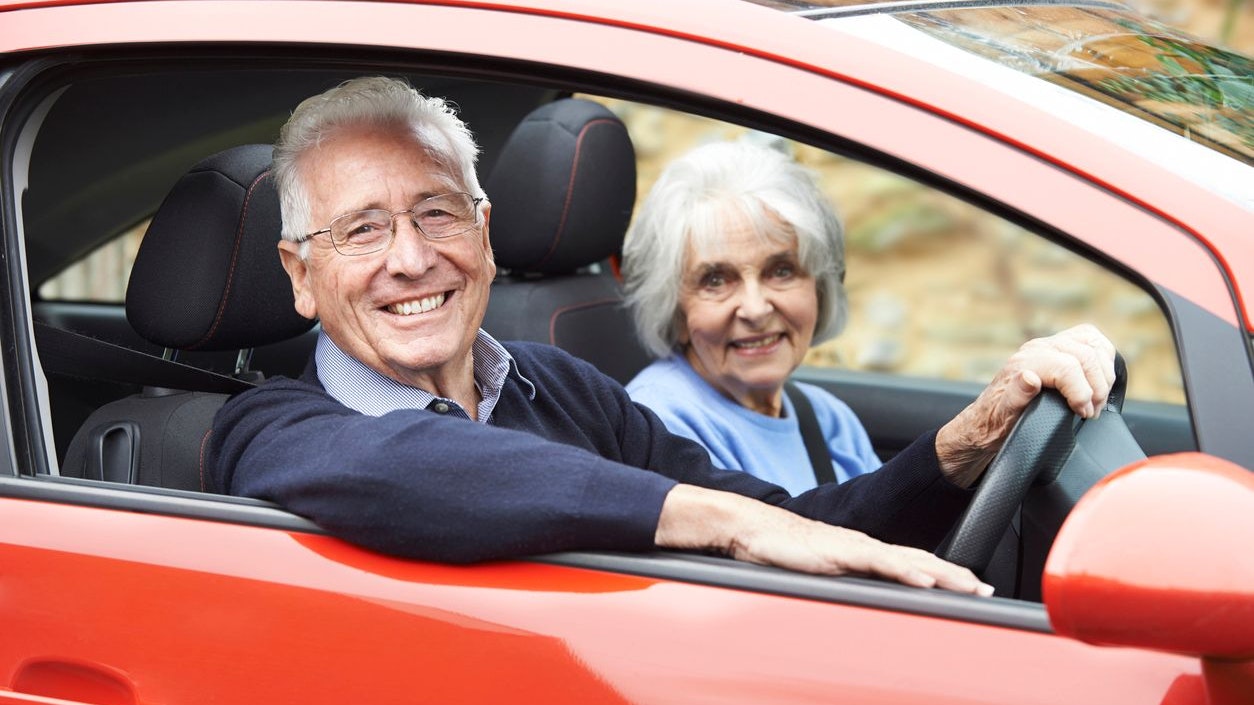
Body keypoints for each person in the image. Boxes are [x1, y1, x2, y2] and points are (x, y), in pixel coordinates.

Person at [205, 76, 1117, 597]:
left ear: (484, 236)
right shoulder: (270, 427)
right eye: (361, 230)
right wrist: (718, 524)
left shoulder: (558, 386)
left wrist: (968, 440)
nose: (410, 258)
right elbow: (410, 463)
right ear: (297, 274)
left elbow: (798, 528)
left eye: (438, 213)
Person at [624, 139, 877, 494]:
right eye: (715, 280)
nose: (756, 309)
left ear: (819, 287)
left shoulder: (827, 417)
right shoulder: (658, 427)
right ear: (673, 309)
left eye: (782, 271)